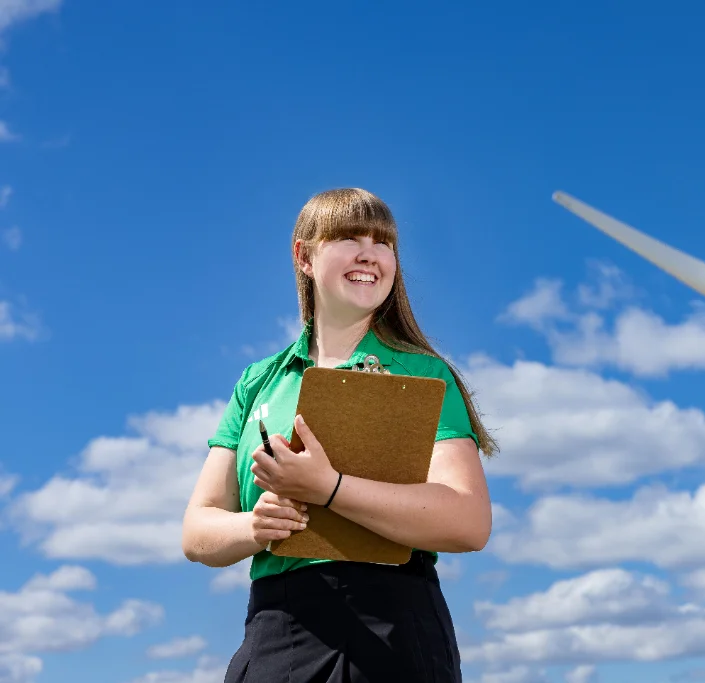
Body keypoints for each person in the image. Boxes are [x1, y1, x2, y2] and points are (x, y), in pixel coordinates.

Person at [181, 187, 498, 683]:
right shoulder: (256, 382)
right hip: (275, 634)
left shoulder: (426, 374)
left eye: (384, 242)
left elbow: (468, 521)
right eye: (350, 237)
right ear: (304, 257)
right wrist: (256, 526)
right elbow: (197, 531)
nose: (370, 253)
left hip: (395, 632)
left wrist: (327, 488)